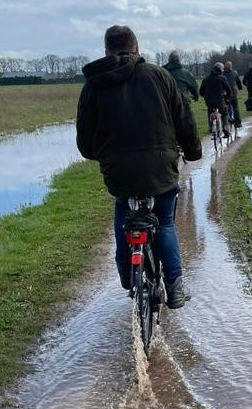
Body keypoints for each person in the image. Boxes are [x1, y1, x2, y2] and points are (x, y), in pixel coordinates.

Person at [76, 25, 202, 309]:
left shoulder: (94, 84)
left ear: (106, 51)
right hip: (160, 168)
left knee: (124, 208)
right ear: (137, 47)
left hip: (119, 173)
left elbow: (85, 139)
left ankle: (127, 272)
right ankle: (175, 286)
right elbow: (184, 119)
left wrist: (103, 156)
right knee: (165, 221)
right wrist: (193, 151)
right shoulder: (159, 76)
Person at [199, 62, 232, 138]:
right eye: (223, 68)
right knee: (224, 113)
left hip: (209, 101)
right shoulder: (222, 77)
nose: (223, 70)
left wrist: (206, 97)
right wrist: (227, 98)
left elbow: (201, 92)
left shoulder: (206, 79)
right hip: (220, 101)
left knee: (210, 112)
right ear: (219, 69)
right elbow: (229, 90)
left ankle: (211, 128)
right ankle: (225, 129)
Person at [223, 60, 243, 128]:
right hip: (233, 93)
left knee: (226, 106)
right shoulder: (235, 72)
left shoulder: (222, 74)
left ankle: (227, 120)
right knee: (236, 108)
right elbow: (238, 82)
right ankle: (238, 123)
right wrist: (240, 87)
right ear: (231, 66)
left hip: (225, 93)